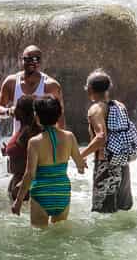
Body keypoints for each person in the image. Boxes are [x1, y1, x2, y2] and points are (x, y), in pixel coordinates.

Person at [13, 96, 86, 226]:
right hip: (62, 192)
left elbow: (30, 174)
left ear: (37, 116)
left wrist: (18, 201)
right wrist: (81, 166)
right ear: (59, 114)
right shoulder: (69, 137)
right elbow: (80, 165)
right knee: (59, 236)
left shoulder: (34, 142)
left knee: (39, 238)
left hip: (41, 193)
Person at [81, 70, 137, 214]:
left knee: (102, 214)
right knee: (122, 211)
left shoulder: (96, 109)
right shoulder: (119, 105)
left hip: (106, 167)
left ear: (90, 89)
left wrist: (81, 155)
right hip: (123, 164)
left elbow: (101, 138)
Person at [0, 45, 65, 133]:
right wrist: (9, 111)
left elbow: (60, 116)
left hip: (42, 142)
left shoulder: (51, 85)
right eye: (27, 59)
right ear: (22, 60)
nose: (31, 62)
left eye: (36, 59)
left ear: (40, 61)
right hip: (19, 142)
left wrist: (60, 143)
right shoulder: (11, 82)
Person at [3, 94, 39, 203]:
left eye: (17, 107)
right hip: (17, 181)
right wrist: (7, 151)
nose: (14, 109)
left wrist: (23, 184)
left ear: (23, 112)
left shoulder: (29, 132)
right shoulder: (24, 129)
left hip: (24, 185)